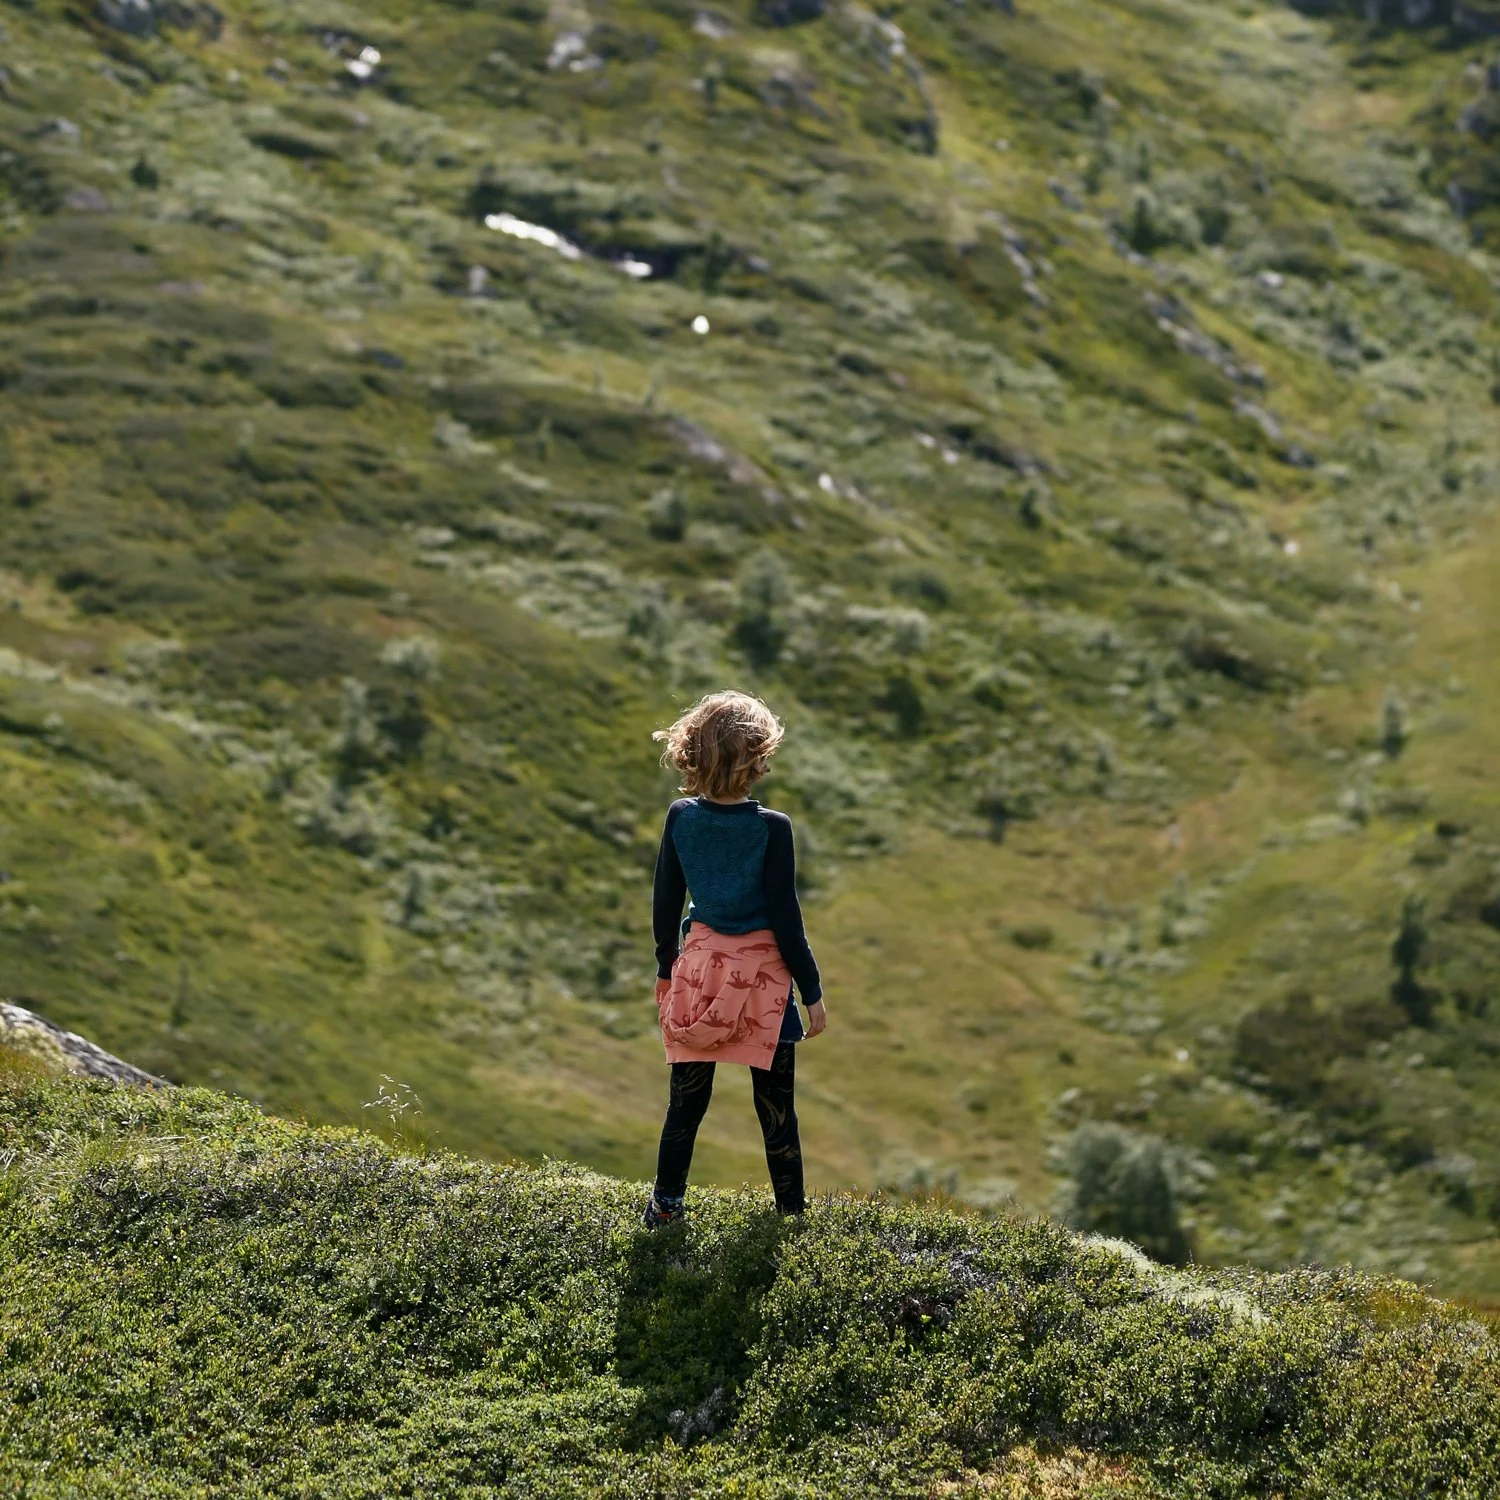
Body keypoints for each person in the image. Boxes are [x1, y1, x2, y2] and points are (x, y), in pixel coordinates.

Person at [644, 689, 827, 1227]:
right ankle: (792, 1217)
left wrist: (665, 968)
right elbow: (785, 916)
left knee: (686, 1104)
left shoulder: (681, 818)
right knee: (776, 1110)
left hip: (699, 972)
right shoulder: (773, 828)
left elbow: (665, 901)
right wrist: (811, 992)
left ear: (694, 751)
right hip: (764, 982)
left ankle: (666, 1209)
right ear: (757, 757)